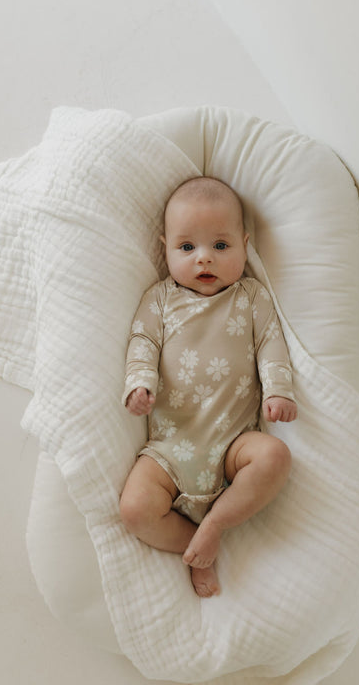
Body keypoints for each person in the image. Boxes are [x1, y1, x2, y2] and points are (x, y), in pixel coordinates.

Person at [119, 176, 297, 597]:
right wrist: (140, 383)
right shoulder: (159, 299)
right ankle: (196, 546)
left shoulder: (251, 297)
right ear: (165, 248)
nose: (204, 260)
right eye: (187, 248)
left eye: (220, 246)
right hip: (170, 448)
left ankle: (216, 523)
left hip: (234, 444)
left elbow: (271, 342)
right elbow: (141, 341)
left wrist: (277, 391)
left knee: (274, 455)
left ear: (245, 243)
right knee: (134, 510)